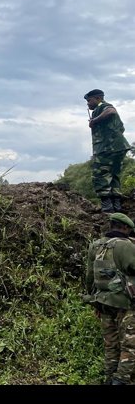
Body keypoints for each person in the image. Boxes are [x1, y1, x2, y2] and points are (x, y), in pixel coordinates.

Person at [84, 212, 135, 385]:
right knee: (130, 346)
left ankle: (109, 378)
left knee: (111, 345)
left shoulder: (96, 245)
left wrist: (93, 301)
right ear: (126, 227)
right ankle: (120, 381)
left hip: (103, 302)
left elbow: (90, 277)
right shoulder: (125, 246)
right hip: (125, 304)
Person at [86, 89, 131, 213]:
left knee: (100, 174)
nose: (88, 103)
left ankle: (107, 207)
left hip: (107, 149)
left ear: (98, 98)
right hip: (118, 147)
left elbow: (111, 111)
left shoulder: (103, 106)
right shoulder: (100, 109)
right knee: (114, 175)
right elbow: (121, 128)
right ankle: (116, 205)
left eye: (89, 100)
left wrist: (94, 121)